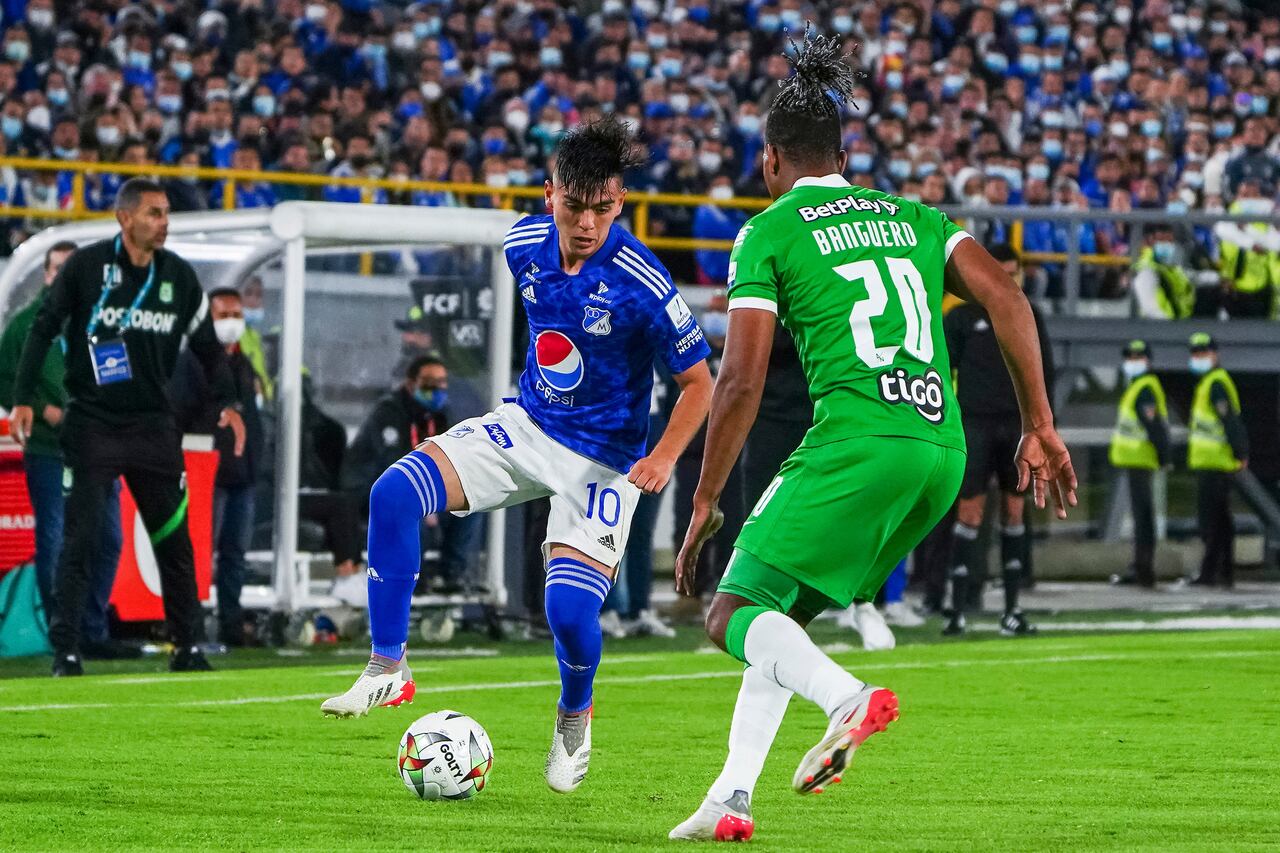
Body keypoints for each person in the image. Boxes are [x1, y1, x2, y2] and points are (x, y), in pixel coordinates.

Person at [669, 33, 1075, 842]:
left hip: (859, 438)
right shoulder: (919, 217)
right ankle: (732, 794)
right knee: (779, 613)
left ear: (772, 159)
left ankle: (846, 698)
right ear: (845, 152)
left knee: (732, 610)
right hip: (939, 449)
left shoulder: (770, 230)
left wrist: (707, 496)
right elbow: (1010, 299)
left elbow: (742, 380)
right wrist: (1040, 423)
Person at [321, 119, 715, 798]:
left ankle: (574, 714)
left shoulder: (643, 282)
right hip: (528, 425)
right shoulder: (522, 246)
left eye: (604, 208)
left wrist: (664, 455)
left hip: (604, 460)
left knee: (567, 612)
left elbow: (700, 384)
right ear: (548, 195)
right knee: (392, 493)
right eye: (574, 205)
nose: (588, 223)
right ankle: (390, 664)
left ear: (619, 203)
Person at [10, 177, 246, 676]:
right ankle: (67, 650)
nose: (164, 223)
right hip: (93, 423)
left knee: (175, 540)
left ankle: (187, 646)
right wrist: (23, 398)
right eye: (154, 214)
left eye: (166, 213)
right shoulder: (87, 267)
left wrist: (230, 401)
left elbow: (208, 348)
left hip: (154, 429)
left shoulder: (178, 278)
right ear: (125, 218)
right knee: (81, 538)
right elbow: (43, 328)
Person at [0, 240, 130, 660]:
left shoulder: (103, 323)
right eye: (58, 268)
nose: (65, 276)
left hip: (98, 447)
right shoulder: (24, 326)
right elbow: (3, 380)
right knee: (54, 537)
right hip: (48, 447)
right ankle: (64, 632)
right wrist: (43, 409)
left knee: (109, 538)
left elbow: (118, 383)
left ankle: (91, 628)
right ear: (46, 273)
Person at [941, 243, 1054, 637]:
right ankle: (956, 610)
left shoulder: (1029, 316)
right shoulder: (960, 319)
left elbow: (1045, 375)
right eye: (1001, 273)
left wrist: (1042, 429)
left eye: (1014, 273)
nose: (1008, 281)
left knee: (1014, 513)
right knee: (968, 514)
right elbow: (940, 371)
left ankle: (1012, 610)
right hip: (973, 425)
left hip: (1016, 427)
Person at [168, 287, 264, 646]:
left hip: (243, 473)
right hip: (208, 473)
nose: (232, 322)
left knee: (235, 554)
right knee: (200, 552)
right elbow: (180, 414)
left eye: (236, 314)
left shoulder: (243, 360)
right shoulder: (192, 361)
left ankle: (231, 624)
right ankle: (190, 624)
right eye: (223, 315)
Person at [343, 355, 479, 595]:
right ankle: (415, 580)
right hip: (374, 493)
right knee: (412, 519)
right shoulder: (388, 413)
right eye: (429, 382)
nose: (437, 388)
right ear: (410, 383)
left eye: (442, 381)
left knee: (471, 508)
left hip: (426, 495)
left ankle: (450, 576)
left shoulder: (443, 416)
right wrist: (425, 503)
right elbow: (391, 469)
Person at [1185, 333, 1247, 588]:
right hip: (1212, 462)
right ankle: (1221, 572)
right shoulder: (1209, 383)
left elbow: (1230, 420)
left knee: (1213, 522)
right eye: (1196, 353)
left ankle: (1213, 573)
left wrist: (1240, 452)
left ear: (1214, 354)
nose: (1199, 357)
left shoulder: (1216, 384)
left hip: (1217, 463)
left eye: (1203, 353)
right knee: (1220, 520)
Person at [1107, 341, 1170, 589]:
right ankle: (1141, 567)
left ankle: (1144, 570)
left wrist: (1164, 457)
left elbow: (1155, 427)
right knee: (1142, 517)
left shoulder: (1144, 388)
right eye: (1129, 357)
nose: (1132, 361)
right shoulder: (1138, 386)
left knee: (1143, 518)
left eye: (1137, 357)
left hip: (1141, 461)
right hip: (1136, 461)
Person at [1131, 225, 1195, 320]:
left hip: (1179, 324)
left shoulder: (1171, 267)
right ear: (1148, 241)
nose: (1167, 245)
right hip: (1157, 329)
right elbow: (1150, 310)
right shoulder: (1147, 270)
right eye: (1162, 240)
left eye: (1169, 241)